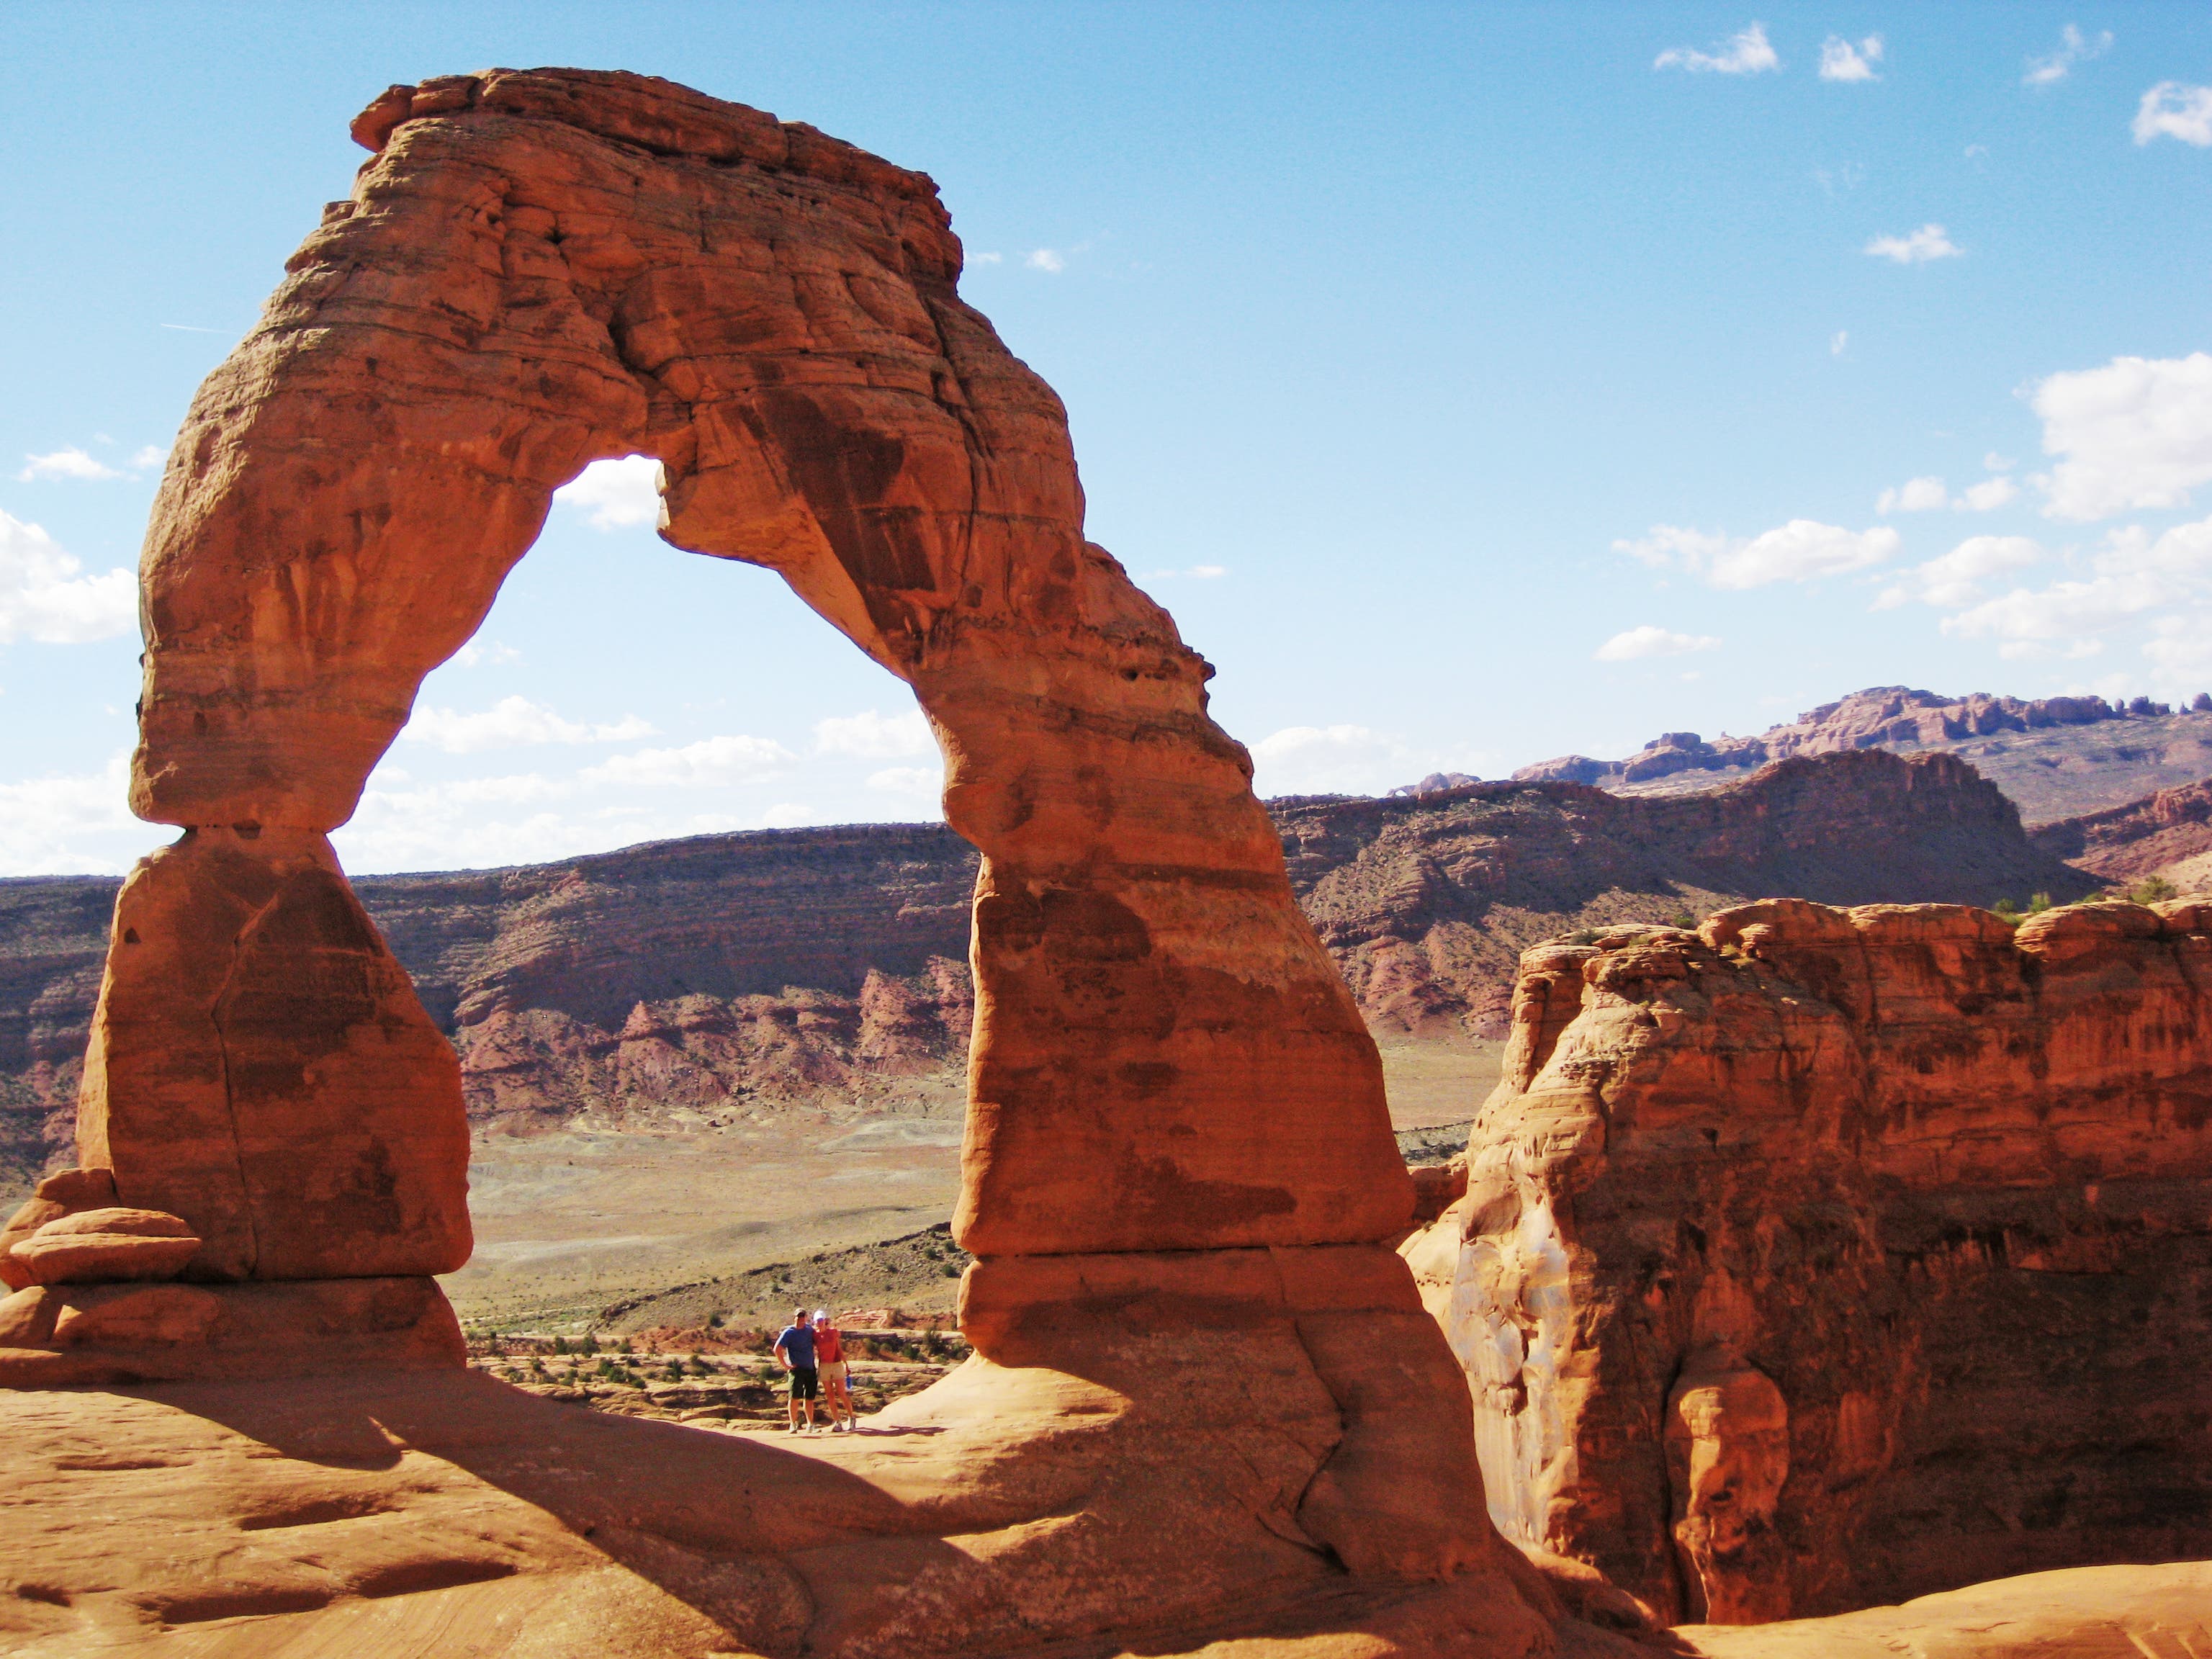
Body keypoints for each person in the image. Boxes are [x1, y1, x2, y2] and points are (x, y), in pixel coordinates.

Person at [773, 1308, 819, 1433]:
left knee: (809, 1398)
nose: (801, 1318)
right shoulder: (789, 1332)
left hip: (810, 1368)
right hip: (797, 1370)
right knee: (794, 1397)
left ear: (806, 1317)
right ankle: (793, 1424)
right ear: (795, 1318)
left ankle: (810, 1425)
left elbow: (819, 1341)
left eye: (803, 1316)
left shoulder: (809, 1330)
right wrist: (785, 1365)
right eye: (799, 1316)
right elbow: (777, 1348)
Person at [814, 1308, 856, 1432]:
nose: (820, 1323)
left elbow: (838, 1348)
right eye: (818, 1321)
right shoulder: (815, 1335)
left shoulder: (833, 1332)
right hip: (824, 1366)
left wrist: (846, 1364)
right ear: (815, 1322)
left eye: (821, 1320)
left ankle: (851, 1418)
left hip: (836, 1364)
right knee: (830, 1396)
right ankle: (837, 1422)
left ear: (825, 1321)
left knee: (841, 1393)